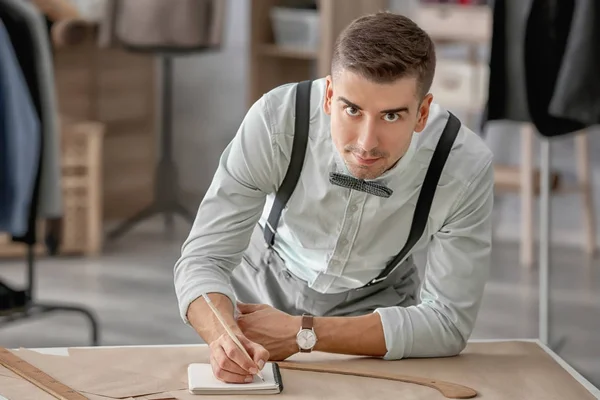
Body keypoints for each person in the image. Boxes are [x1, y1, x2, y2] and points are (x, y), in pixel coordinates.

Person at [174, 11, 494, 384]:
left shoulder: (463, 166)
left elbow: (448, 322)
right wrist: (223, 338)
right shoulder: (276, 120)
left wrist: (302, 332)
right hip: (257, 290)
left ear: (422, 113)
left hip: (376, 310)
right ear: (328, 95)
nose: (366, 143)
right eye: (352, 110)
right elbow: (203, 258)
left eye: (391, 116)